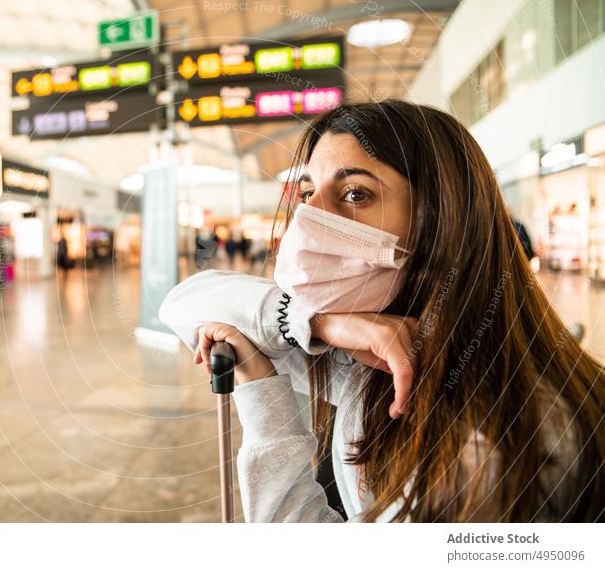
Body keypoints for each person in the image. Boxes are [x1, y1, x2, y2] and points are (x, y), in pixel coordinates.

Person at [159, 100, 605, 522]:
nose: (309, 218)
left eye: (355, 193)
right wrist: (321, 323)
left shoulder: (485, 442)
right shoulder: (379, 342)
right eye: (309, 192)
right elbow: (184, 302)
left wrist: (264, 399)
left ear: (440, 215)